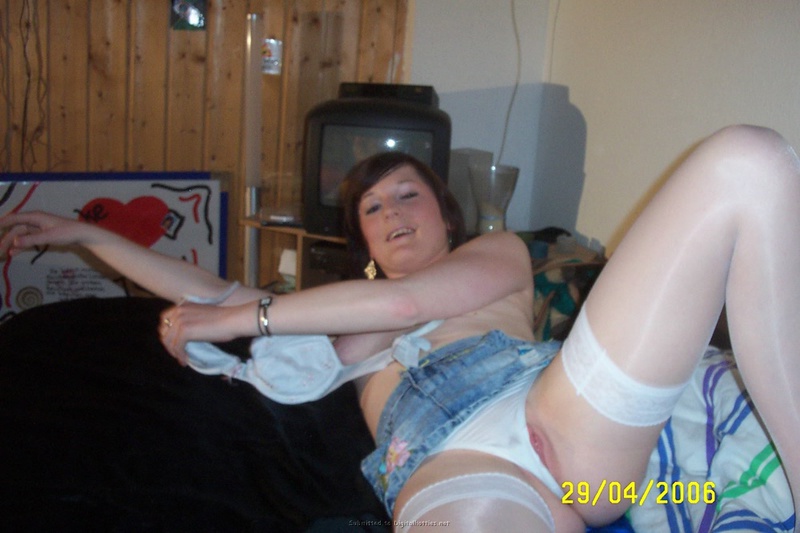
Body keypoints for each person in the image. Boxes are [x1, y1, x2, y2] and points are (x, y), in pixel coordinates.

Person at [1, 124, 798, 532]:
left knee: (746, 159)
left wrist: (245, 315)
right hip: (452, 456)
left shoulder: (497, 251)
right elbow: (205, 288)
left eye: (408, 193)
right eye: (372, 209)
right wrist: (86, 234)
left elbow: (402, 307)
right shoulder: (333, 310)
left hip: (565, 418)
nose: (391, 212)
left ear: (447, 215)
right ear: (366, 245)